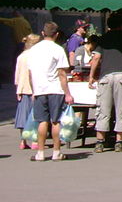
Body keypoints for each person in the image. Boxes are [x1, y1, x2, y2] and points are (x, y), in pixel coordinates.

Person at [89, 13, 122, 153]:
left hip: (105, 76)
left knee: (102, 109)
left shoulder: (103, 39)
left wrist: (91, 76)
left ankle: (100, 142)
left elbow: (96, 58)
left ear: (108, 25)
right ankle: (119, 142)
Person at [26, 22, 74, 161]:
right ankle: (56, 151)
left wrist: (34, 90)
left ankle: (40, 153)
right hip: (55, 89)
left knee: (42, 121)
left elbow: (30, 73)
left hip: (40, 89)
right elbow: (62, 74)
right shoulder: (58, 49)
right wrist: (68, 93)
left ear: (42, 33)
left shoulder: (33, 50)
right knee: (55, 121)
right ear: (57, 34)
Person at [14, 33, 42, 150]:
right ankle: (35, 141)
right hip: (34, 89)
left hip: (22, 88)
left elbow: (17, 74)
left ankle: (23, 141)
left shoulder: (21, 56)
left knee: (23, 116)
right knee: (36, 116)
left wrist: (18, 89)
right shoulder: (36, 55)